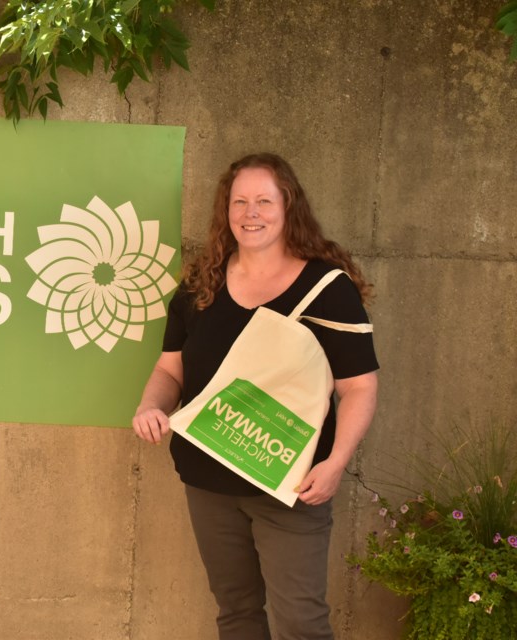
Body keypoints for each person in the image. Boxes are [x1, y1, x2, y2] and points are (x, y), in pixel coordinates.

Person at [132, 152, 379, 640]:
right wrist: (150, 405)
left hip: (290, 483)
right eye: (240, 201)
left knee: (300, 622)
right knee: (237, 612)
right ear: (226, 211)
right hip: (208, 478)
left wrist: (335, 463)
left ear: (289, 207)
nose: (251, 213)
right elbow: (169, 368)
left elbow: (359, 386)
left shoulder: (327, 288)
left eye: (264, 201)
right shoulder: (202, 283)